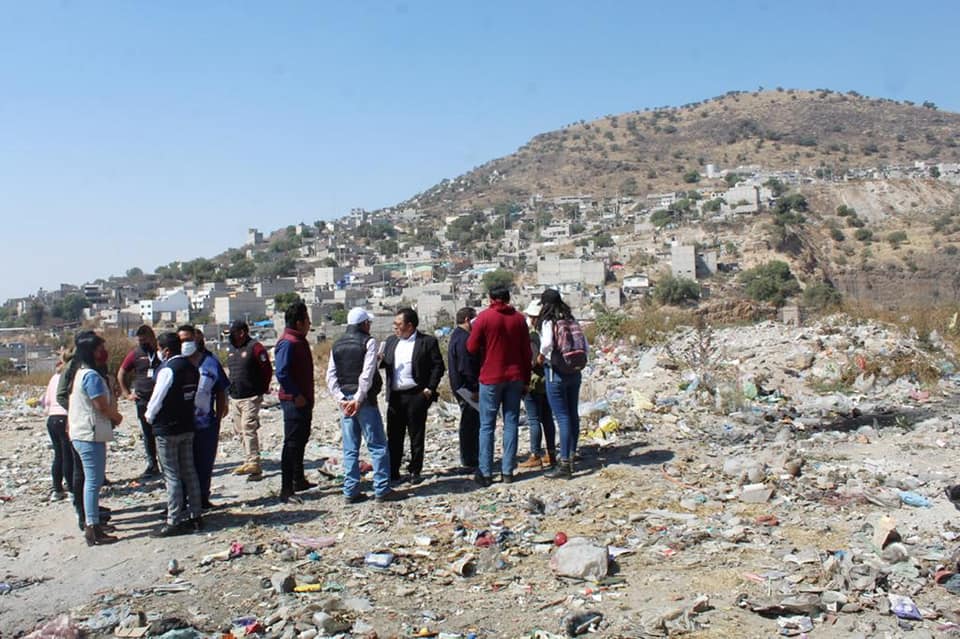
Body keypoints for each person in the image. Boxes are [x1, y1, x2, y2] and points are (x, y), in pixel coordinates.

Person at [326, 308, 403, 503]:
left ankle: (350, 490)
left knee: (350, 448)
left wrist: (342, 400)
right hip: (364, 402)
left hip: (346, 402)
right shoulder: (368, 342)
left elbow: (331, 376)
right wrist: (358, 399)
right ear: (364, 324)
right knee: (377, 445)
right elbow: (366, 374)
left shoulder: (337, 344)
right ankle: (382, 488)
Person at [466, 286, 531, 486]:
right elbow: (526, 352)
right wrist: (526, 380)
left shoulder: (485, 318)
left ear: (490, 298)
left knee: (487, 425)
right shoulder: (519, 319)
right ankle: (507, 472)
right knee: (511, 422)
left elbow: (471, 347)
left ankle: (485, 473)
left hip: (491, 377)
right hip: (515, 376)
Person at [145, 332, 202, 536]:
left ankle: (174, 520)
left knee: (172, 475)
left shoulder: (168, 369)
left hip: (167, 429)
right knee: (189, 471)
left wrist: (149, 417)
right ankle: (196, 515)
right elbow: (199, 399)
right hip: (187, 426)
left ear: (166, 350)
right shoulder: (192, 368)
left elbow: (157, 397)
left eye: (160, 349)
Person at [68, 332, 123, 546]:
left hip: (83, 432)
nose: (104, 353)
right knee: (93, 481)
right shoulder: (90, 375)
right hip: (89, 434)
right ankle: (92, 526)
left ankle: (93, 523)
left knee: (91, 480)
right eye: (100, 349)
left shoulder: (81, 373)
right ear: (92, 352)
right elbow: (100, 405)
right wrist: (116, 416)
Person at [379, 307, 445, 484]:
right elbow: (386, 363)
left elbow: (438, 366)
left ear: (409, 325)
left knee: (416, 434)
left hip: (416, 395)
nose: (395, 327)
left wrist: (429, 389)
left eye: (398, 324)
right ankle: (393, 471)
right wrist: (380, 360)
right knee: (394, 434)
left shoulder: (427, 342)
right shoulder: (391, 341)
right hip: (395, 396)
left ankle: (415, 470)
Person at [536, 289, 587, 479]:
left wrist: (542, 356)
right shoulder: (571, 320)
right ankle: (572, 453)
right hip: (574, 373)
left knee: (562, 417)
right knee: (573, 413)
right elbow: (585, 346)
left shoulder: (550, 322)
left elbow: (547, 343)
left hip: (555, 373)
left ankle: (564, 463)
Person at [178, 326, 229, 508]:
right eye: (181, 340)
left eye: (188, 340)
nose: (185, 344)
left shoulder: (210, 363)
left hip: (205, 424)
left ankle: (202, 499)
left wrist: (218, 418)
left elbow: (221, 390)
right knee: (182, 466)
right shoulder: (175, 364)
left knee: (204, 463)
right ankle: (182, 501)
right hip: (181, 425)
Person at [275, 301, 315, 502]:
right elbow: (281, 372)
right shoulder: (288, 342)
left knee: (301, 440)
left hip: (303, 400)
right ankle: (286, 489)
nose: (309, 324)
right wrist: (296, 394)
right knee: (291, 444)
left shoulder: (298, 339)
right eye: (307, 320)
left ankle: (299, 480)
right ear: (299, 323)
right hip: (294, 402)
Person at [225, 320, 272, 481]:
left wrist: (262, 387)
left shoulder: (255, 347)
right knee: (240, 431)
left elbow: (266, 370)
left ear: (241, 333)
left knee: (248, 427)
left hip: (251, 396)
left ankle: (253, 461)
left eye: (232, 333)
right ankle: (251, 464)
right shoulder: (231, 349)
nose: (230, 337)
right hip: (236, 396)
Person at [117, 325, 162, 477]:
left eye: (145, 339)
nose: (143, 342)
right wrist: (127, 393)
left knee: (162, 431)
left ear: (152, 337)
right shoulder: (135, 354)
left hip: (160, 399)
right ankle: (152, 464)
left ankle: (165, 462)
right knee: (147, 433)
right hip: (142, 399)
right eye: (140, 340)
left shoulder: (160, 352)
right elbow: (121, 373)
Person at [518, 300, 557, 471]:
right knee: (547, 418)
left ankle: (535, 455)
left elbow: (532, 361)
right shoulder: (548, 331)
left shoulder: (532, 336)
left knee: (534, 419)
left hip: (533, 383)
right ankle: (551, 453)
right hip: (547, 380)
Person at [447, 306, 480, 473]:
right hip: (466, 388)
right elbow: (465, 366)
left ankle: (471, 457)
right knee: (470, 423)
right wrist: (474, 388)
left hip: (462, 387)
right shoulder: (463, 338)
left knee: (470, 422)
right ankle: (470, 459)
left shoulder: (458, 335)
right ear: (467, 319)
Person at [41, 357, 73, 502]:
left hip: (52, 419)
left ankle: (57, 489)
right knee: (68, 454)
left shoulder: (53, 378)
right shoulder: (68, 378)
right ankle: (72, 489)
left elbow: (45, 401)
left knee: (58, 454)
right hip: (64, 416)